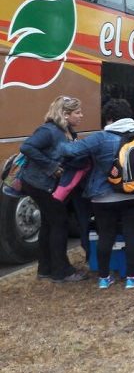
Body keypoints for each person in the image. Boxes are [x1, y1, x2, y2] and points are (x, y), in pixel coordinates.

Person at [60, 99, 134, 289]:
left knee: (105, 235)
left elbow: (70, 151)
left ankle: (104, 278)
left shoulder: (100, 138)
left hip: (104, 197)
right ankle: (132, 278)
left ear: (109, 118)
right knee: (132, 234)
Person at [20, 96, 89, 283]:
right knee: (60, 223)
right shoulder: (49, 130)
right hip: (39, 184)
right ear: (65, 114)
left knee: (50, 224)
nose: (81, 115)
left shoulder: (67, 130)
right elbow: (26, 147)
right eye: (77, 112)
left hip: (45, 184)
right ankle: (62, 271)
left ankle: (46, 268)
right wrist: (50, 166)